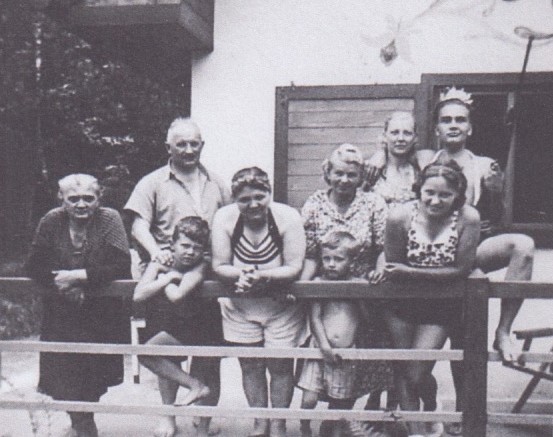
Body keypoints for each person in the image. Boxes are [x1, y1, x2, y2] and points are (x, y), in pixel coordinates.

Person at [367, 91, 535, 365]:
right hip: (427, 250)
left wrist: (496, 193)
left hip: (469, 248)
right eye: (446, 120)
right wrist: (378, 155)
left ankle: (503, 331)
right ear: (436, 129)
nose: (453, 125)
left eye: (460, 120)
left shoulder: (484, 165)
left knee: (524, 245)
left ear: (470, 127)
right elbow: (395, 146)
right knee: (432, 347)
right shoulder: (424, 159)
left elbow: (500, 221)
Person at [124, 117, 230, 436]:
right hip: (169, 273)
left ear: (202, 145)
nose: (188, 149)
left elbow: (231, 222)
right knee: (165, 352)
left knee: (208, 355)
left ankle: (203, 422)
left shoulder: (217, 182)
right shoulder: (152, 182)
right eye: (181, 144)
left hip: (206, 281)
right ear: (168, 147)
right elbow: (138, 225)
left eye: (193, 143)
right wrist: (157, 253)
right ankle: (169, 416)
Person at [26, 174, 131, 437]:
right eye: (73, 199)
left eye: (88, 198)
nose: (81, 204)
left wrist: (78, 278)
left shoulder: (109, 219)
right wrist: (62, 285)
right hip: (62, 312)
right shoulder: (51, 220)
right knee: (64, 374)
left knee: (92, 376)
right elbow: (34, 264)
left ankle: (82, 424)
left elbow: (120, 265)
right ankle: (82, 426)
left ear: (99, 198)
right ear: (61, 198)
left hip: (101, 313)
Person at [381, 161, 481, 437]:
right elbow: (393, 266)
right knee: (403, 369)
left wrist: (412, 272)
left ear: (457, 195)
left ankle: (431, 404)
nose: (436, 201)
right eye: (429, 193)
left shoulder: (468, 218)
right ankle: (415, 431)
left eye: (445, 195)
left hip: (441, 304)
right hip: (402, 300)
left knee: (417, 372)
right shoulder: (399, 216)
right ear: (419, 190)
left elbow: (461, 270)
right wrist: (408, 274)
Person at [300, 144, 394, 419]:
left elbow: (383, 247)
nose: (344, 180)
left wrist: (379, 272)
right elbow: (310, 253)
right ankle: (333, 420)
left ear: (361, 176)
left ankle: (367, 416)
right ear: (327, 173)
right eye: (338, 173)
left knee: (369, 354)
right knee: (330, 357)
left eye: (351, 174)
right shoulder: (314, 204)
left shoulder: (373, 203)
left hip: (365, 289)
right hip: (327, 288)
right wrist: (302, 288)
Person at [211, 167, 307, 437]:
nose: (253, 204)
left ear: (269, 193)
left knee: (280, 366)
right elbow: (219, 264)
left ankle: (278, 425)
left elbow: (294, 266)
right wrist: (241, 275)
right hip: (240, 305)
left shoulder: (288, 217)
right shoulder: (224, 217)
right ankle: (260, 423)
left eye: (259, 196)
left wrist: (262, 277)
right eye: (244, 199)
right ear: (235, 199)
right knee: (250, 365)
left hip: (281, 305)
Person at [134, 216, 221, 437]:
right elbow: (139, 294)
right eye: (185, 245)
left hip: (205, 322)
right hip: (178, 322)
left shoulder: (202, 264)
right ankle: (194, 386)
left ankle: (203, 429)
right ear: (172, 244)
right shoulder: (161, 260)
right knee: (147, 353)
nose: (190, 252)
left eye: (197, 247)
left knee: (208, 370)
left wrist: (164, 277)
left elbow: (177, 295)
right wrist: (167, 276)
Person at [297, 231, 365, 437]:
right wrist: (324, 346)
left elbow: (366, 317)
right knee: (309, 398)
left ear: (352, 261)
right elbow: (315, 317)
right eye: (326, 259)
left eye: (338, 259)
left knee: (340, 401)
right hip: (319, 348)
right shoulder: (319, 282)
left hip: (344, 352)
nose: (331, 264)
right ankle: (305, 427)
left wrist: (361, 297)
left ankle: (335, 432)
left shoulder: (358, 285)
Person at [364, 111, 419, 208]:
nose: (401, 138)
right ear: (384, 136)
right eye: (394, 133)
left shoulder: (418, 171)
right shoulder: (372, 169)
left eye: (407, 133)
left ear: (415, 138)